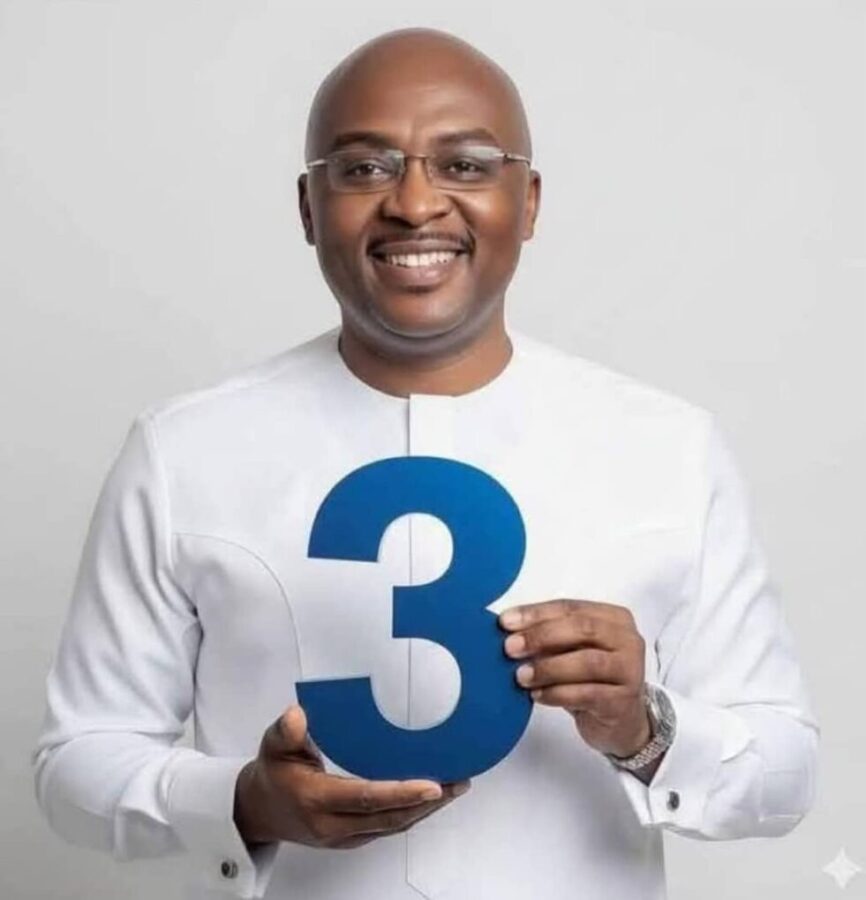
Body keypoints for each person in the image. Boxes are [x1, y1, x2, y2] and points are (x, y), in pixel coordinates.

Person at [32, 26, 819, 900]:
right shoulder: (183, 451)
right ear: (308, 208)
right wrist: (243, 802)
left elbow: (785, 772)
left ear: (529, 202)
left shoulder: (668, 448)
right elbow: (75, 765)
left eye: (465, 165)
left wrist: (646, 728)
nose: (413, 203)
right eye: (363, 167)